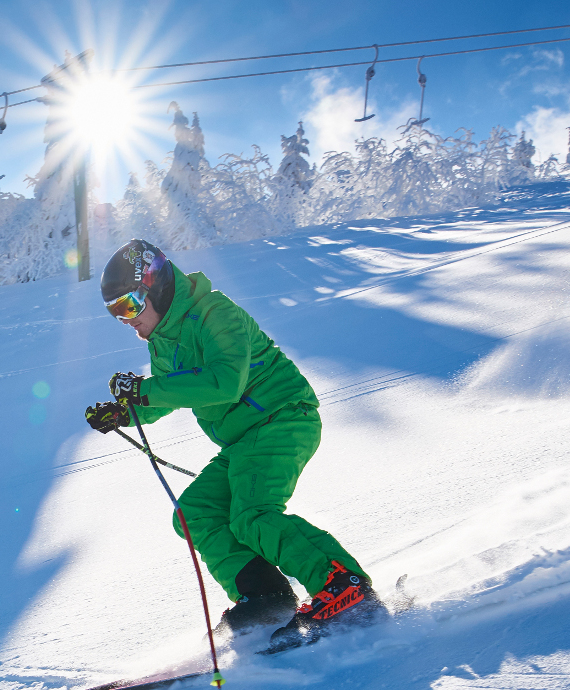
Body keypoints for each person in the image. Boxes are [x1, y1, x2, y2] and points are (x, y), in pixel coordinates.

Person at [84, 240, 383, 651]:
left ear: (156, 288)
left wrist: (144, 390)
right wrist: (125, 412)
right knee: (195, 512)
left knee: (251, 515)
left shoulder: (214, 313)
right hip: (245, 439)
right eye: (115, 312)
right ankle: (265, 596)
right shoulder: (163, 341)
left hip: (282, 418)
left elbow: (225, 384)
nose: (125, 320)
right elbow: (173, 394)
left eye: (129, 307)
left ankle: (344, 585)